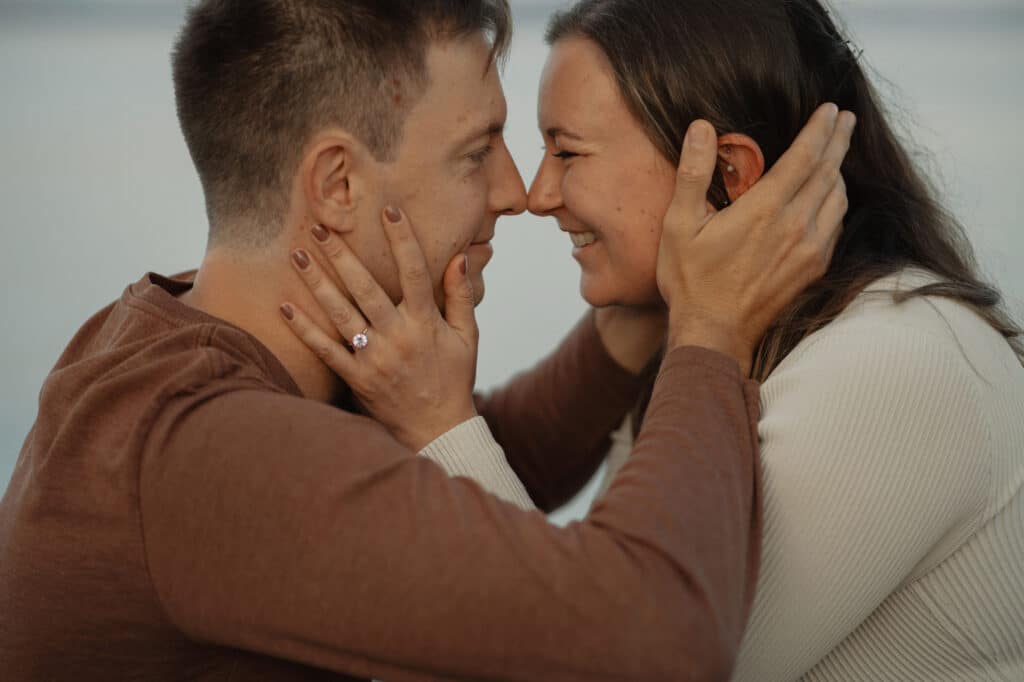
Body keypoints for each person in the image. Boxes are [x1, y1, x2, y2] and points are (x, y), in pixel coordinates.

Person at [0, 1, 855, 681]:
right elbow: (660, 638)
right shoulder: (205, 449)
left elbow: (466, 477)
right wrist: (710, 331)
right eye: (477, 150)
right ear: (337, 184)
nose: (517, 191)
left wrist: (642, 311)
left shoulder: (170, 332)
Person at [519, 0, 1020, 680]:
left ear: (728, 172)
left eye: (566, 151)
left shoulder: (896, 364)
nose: (537, 193)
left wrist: (432, 419)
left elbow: (612, 660)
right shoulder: (708, 337)